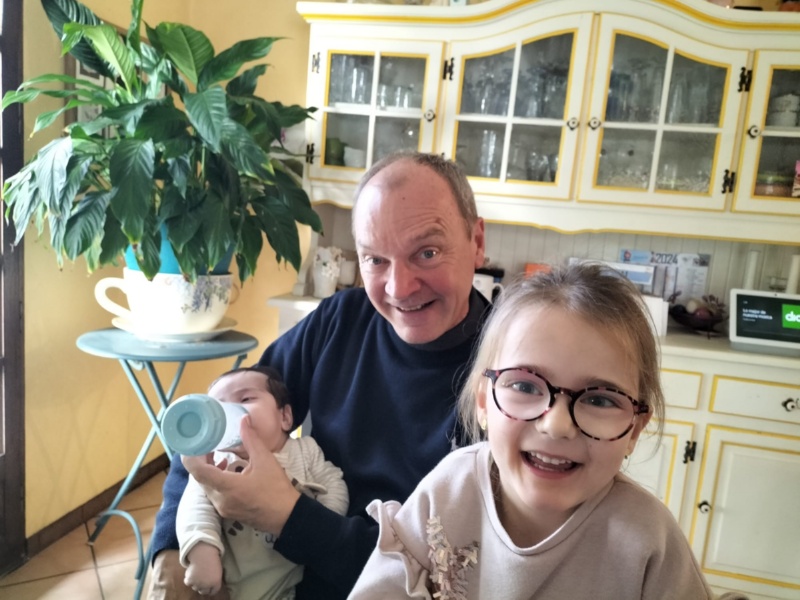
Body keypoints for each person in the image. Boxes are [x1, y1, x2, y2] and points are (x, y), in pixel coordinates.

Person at [147, 151, 490, 600]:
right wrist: (170, 551)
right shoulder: (341, 320)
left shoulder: (512, 370)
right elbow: (213, 419)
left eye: (427, 252)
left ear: (476, 241)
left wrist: (288, 515)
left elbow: (452, 576)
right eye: (375, 260)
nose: (399, 288)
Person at [349, 263, 716, 599]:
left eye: (600, 399)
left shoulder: (649, 540)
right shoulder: (447, 492)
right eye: (525, 386)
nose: (556, 425)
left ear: (634, 429)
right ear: (483, 402)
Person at [175, 365, 348, 599]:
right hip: (233, 584)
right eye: (218, 408)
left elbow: (334, 483)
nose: (228, 413)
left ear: (285, 417)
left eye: (245, 399)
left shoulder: (305, 450)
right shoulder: (216, 462)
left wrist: (324, 525)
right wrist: (202, 553)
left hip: (290, 583)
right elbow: (194, 508)